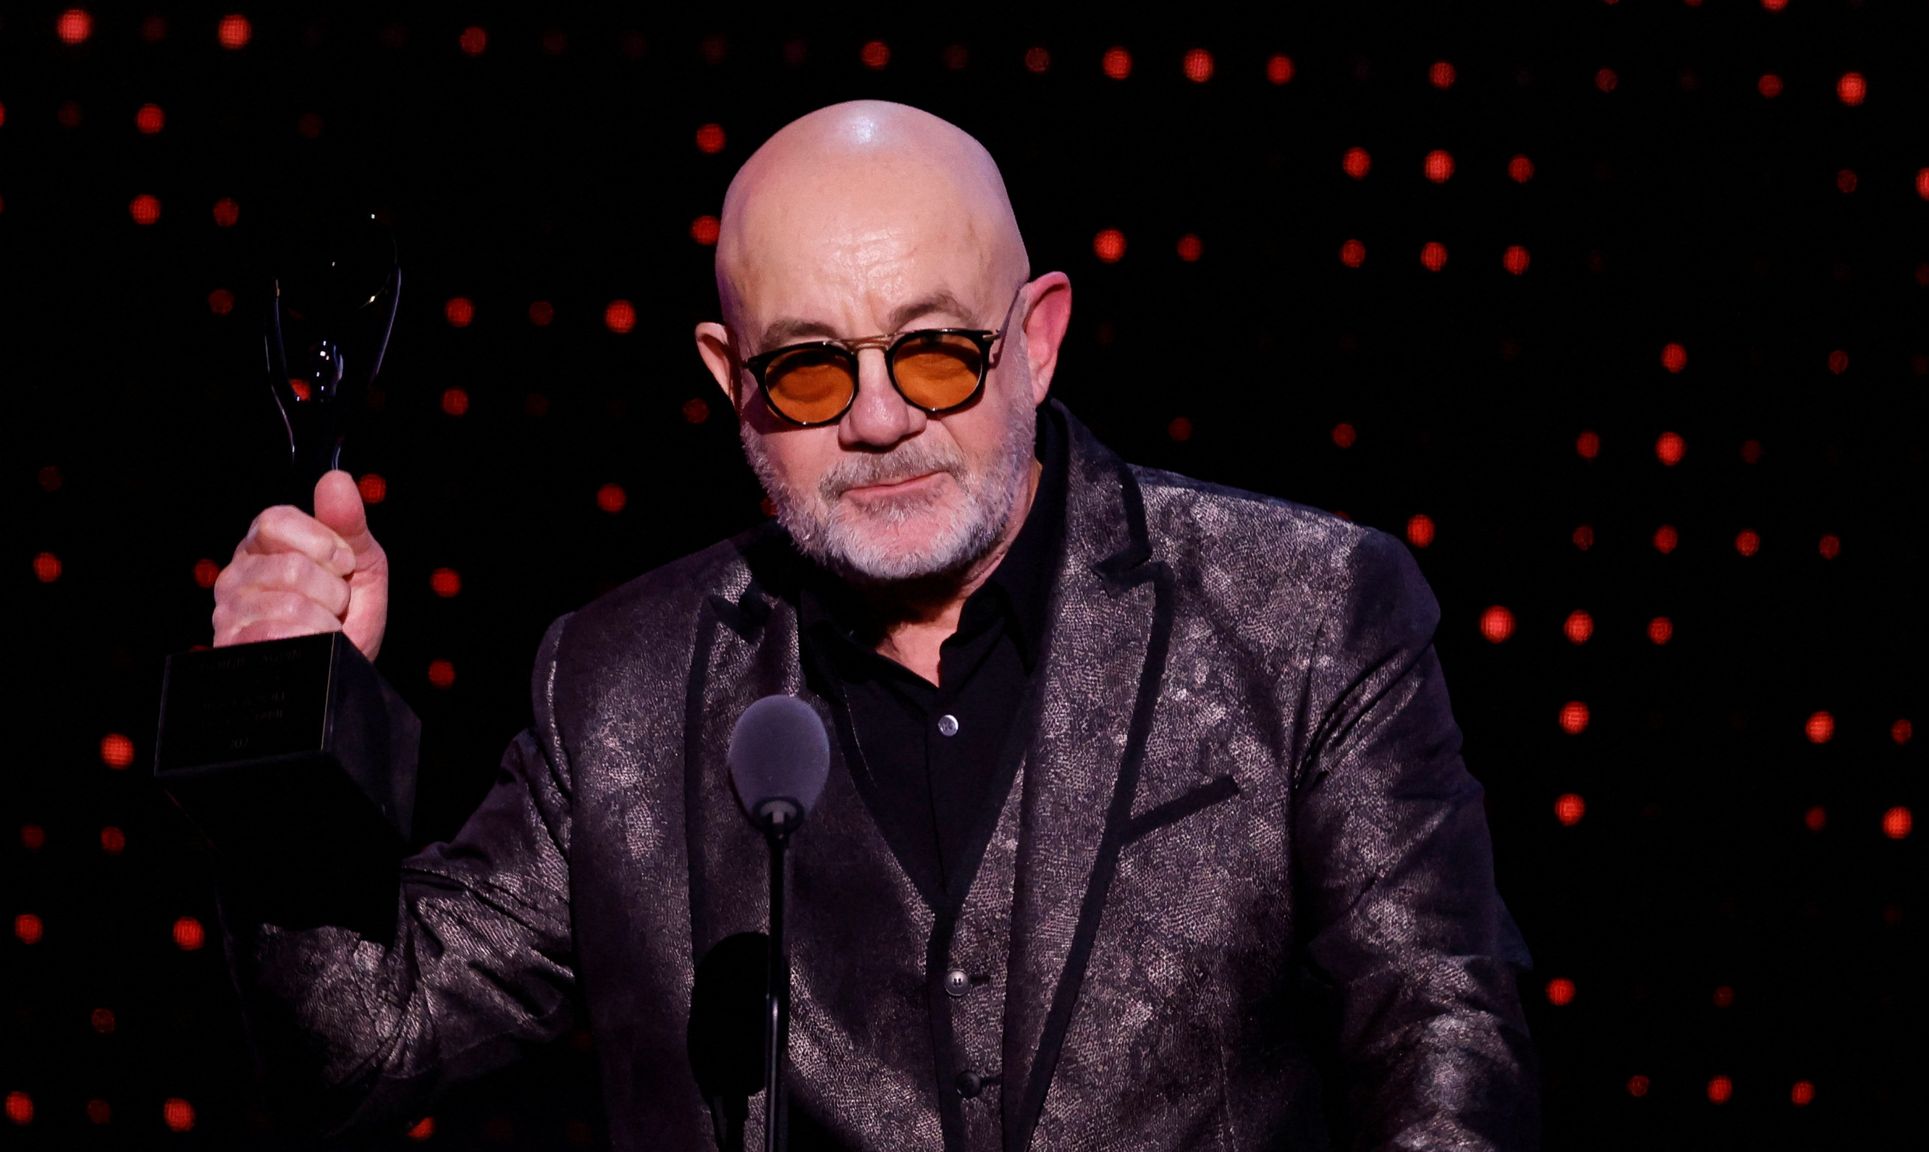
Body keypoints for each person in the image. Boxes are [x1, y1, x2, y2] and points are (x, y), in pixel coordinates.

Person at [209, 100, 1537, 1150]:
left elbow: (1443, 1056)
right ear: (732, 380)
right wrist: (284, 731)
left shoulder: (1303, 616)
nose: (881, 417)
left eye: (936, 353)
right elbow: (361, 1054)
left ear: (1039, 339)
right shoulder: (616, 687)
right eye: (807, 366)